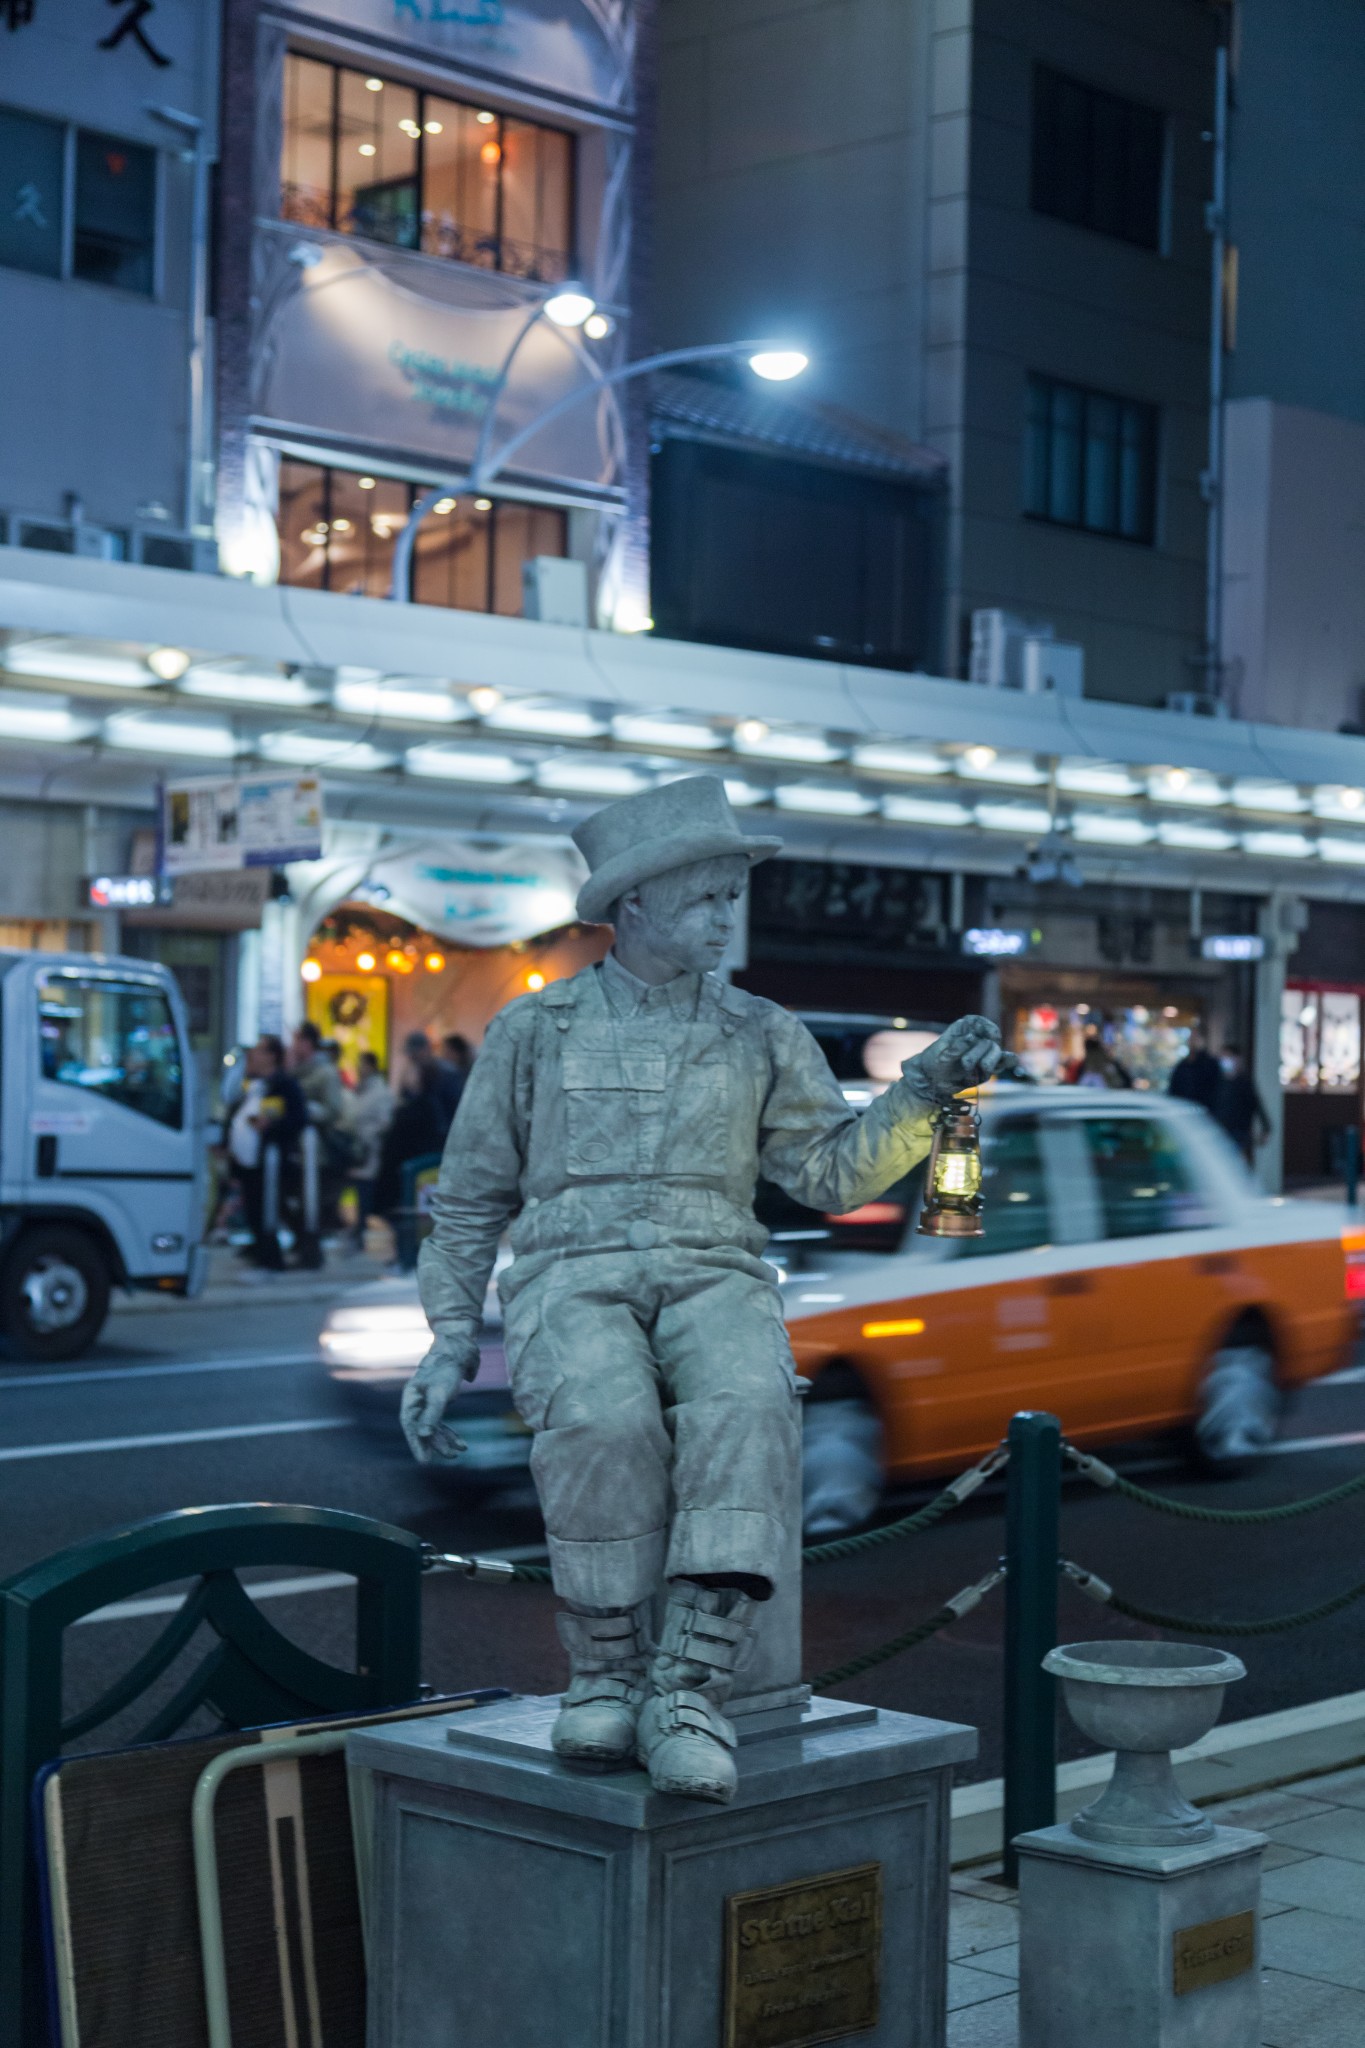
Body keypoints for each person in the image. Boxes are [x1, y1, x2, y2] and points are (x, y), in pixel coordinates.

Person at [400, 775, 1018, 1804]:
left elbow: (827, 1172)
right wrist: (449, 1335)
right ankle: (602, 1668)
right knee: (600, 1418)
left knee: (746, 1403)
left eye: (733, 895)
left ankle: (687, 1686)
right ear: (630, 906)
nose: (727, 916)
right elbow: (466, 1198)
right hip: (571, 1267)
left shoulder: (764, 1032)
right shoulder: (535, 1030)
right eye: (706, 896)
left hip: (715, 1263)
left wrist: (922, 1094)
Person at [234, 1036, 307, 1269]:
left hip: (272, 1162)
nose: (252, 1056)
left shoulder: (284, 1085)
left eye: (258, 1051)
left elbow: (299, 1117)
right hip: (249, 1161)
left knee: (269, 1208)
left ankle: (272, 1255)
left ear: (271, 1056)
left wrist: (272, 1125)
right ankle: (261, 1250)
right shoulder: (252, 1084)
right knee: (254, 1208)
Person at [348, 1050, 393, 1250]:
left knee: (368, 1195)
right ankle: (359, 1231)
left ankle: (362, 1232)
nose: (359, 1068)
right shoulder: (362, 1090)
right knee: (362, 1193)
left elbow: (385, 1123)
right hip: (360, 1150)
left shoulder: (379, 1092)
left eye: (362, 1064)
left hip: (371, 1152)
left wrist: (369, 1135)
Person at [1213, 1045, 1270, 1163]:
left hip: (1239, 1132)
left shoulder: (1244, 1082)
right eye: (1223, 1057)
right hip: (1221, 1132)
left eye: (1228, 1057)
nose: (1225, 1061)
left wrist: (1266, 1127)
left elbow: (1256, 1103)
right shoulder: (1218, 1082)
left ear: (1237, 1059)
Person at [1168, 1027, 1221, 1111]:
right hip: (1183, 1110)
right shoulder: (1182, 1065)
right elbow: (1174, 1089)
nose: (1192, 1042)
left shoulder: (1210, 1064)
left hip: (1204, 1112)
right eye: (1191, 1038)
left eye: (1196, 1038)